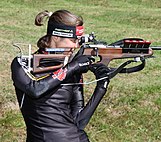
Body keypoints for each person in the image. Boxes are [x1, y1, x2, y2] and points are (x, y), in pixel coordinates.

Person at [11, 10, 110, 142]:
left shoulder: (71, 68)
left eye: (78, 41)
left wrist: (101, 87)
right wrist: (73, 67)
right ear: (56, 37)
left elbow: (79, 122)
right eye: (72, 40)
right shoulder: (23, 63)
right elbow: (35, 89)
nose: (75, 46)